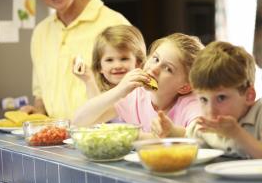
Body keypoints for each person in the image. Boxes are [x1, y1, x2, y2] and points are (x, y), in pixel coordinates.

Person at [19, 0, 130, 119]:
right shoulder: (40, 33)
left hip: (104, 137)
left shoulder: (114, 23)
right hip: (56, 138)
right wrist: (37, 112)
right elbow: (40, 95)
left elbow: (135, 90)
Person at [72, 33, 204, 138]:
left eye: (168, 69)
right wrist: (119, 90)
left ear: (185, 87)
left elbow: (203, 136)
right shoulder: (135, 96)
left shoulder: (192, 103)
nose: (154, 69)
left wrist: (173, 132)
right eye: (156, 59)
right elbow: (79, 122)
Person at [184, 41, 262, 159]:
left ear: (249, 96)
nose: (211, 111)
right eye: (203, 99)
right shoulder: (202, 127)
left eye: (221, 98)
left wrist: (237, 134)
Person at [73, 25, 146, 99]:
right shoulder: (97, 93)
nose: (117, 66)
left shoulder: (144, 93)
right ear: (99, 67)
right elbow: (98, 109)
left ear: (138, 63)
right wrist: (89, 80)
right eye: (109, 60)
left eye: (124, 59)